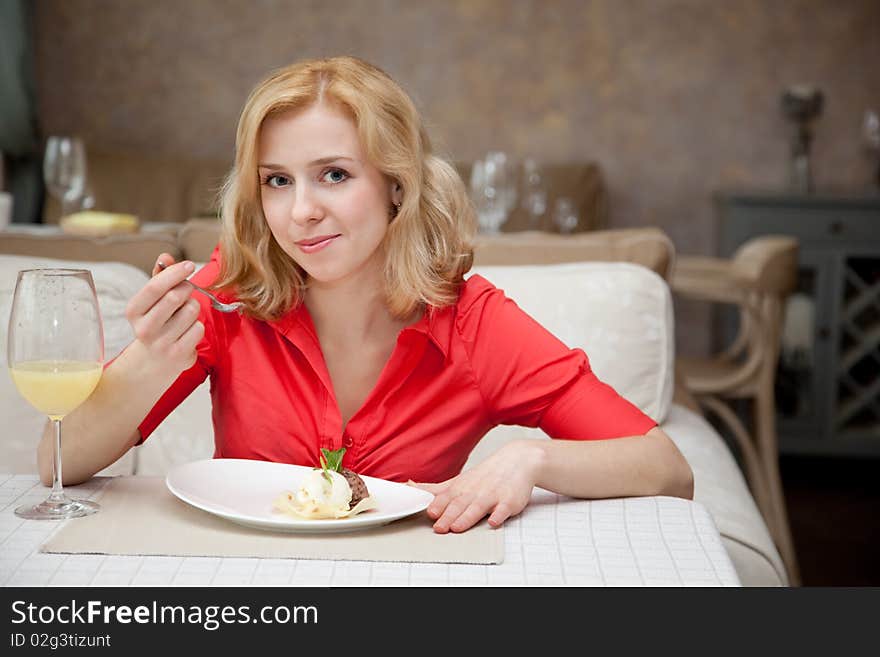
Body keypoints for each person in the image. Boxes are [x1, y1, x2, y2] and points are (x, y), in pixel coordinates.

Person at [38, 56, 692, 534]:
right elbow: (55, 464)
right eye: (276, 181)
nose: (300, 212)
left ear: (395, 185)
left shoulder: (472, 323)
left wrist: (533, 457)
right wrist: (152, 358)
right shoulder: (228, 293)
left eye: (334, 175)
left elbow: (665, 467)